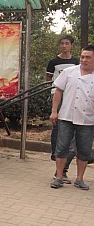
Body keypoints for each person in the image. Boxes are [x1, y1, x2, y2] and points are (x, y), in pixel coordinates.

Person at [50, 45, 94, 190]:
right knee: (62, 147)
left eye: (88, 57)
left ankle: (80, 179)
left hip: (87, 119)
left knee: (84, 150)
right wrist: (54, 111)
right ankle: (59, 177)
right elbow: (58, 91)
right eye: (82, 57)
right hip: (66, 116)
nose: (84, 60)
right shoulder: (69, 72)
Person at [46, 35, 79, 184]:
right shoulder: (53, 62)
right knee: (58, 128)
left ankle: (63, 169)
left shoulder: (76, 62)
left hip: (72, 97)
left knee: (73, 134)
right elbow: (49, 80)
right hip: (57, 95)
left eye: (67, 43)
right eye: (62, 43)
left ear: (72, 45)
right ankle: (56, 155)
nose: (64, 46)